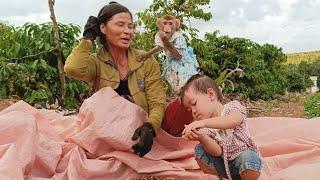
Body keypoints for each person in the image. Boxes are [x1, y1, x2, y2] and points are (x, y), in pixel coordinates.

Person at [64, 2, 166, 157]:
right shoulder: (96, 62)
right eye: (120, 25)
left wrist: (150, 127)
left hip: (138, 132)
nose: (127, 31)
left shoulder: (146, 61)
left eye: (130, 26)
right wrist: (88, 38)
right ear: (103, 29)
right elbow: (73, 68)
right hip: (107, 131)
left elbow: (157, 102)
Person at [180, 74, 262, 180]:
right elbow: (217, 152)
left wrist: (204, 123)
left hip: (243, 161)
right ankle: (225, 177)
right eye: (190, 110)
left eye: (194, 104)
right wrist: (202, 138)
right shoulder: (206, 126)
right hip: (225, 166)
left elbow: (234, 120)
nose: (193, 112)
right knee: (199, 150)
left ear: (210, 94)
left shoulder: (232, 107)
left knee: (249, 157)